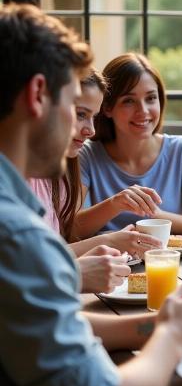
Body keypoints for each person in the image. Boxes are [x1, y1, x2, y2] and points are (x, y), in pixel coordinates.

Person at [0, 3, 182, 386]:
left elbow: (31, 323)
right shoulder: (17, 235)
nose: (83, 129)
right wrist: (174, 339)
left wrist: (155, 325)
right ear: (39, 95)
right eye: (75, 108)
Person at [29, 69, 162, 293]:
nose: (90, 130)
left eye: (93, 117)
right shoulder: (22, 180)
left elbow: (51, 249)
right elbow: (28, 267)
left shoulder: (57, 175)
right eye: (81, 114)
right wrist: (107, 242)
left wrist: (108, 242)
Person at [73, 53, 182, 238]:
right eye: (129, 101)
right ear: (107, 108)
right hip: (109, 263)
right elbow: (72, 229)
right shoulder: (85, 155)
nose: (143, 111)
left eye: (151, 98)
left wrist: (156, 217)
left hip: (169, 262)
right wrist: (115, 204)